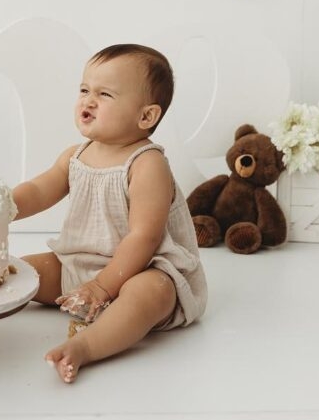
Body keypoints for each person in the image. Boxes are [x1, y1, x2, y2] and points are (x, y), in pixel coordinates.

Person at [11, 44, 207, 383]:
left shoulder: (147, 164)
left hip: (141, 271)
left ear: (146, 116)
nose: (88, 101)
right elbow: (39, 190)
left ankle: (85, 347)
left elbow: (143, 236)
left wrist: (103, 286)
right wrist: (0, 206)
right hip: (79, 269)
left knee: (150, 294)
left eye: (104, 94)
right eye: (85, 90)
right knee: (18, 271)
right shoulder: (76, 154)